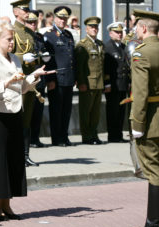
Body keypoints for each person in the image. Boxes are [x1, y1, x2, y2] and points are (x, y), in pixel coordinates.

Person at [0, 20, 50, 221]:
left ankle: (7, 205)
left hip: (15, 112)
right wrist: (8, 81)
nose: (12, 42)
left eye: (12, 39)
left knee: (12, 160)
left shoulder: (15, 59)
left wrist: (34, 75)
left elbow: (22, 87)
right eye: (9, 39)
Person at [129, 9, 159, 227]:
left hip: (150, 119)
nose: (135, 30)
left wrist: (137, 123)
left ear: (144, 28)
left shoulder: (141, 53)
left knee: (154, 170)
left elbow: (140, 92)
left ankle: (155, 223)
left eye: (137, 26)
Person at [44, 6, 76, 147]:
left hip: (68, 78)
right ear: (54, 19)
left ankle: (64, 136)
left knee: (66, 110)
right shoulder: (49, 36)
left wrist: (74, 76)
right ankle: (57, 138)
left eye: (64, 18)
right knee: (56, 110)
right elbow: (49, 60)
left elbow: (71, 57)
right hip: (56, 79)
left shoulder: (68, 35)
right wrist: (50, 79)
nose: (62, 21)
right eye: (60, 18)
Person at [11, 0, 38, 167]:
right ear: (16, 12)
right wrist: (23, 59)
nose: (27, 12)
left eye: (28, 9)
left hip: (29, 80)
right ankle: (15, 155)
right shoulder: (11, 31)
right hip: (17, 81)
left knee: (27, 120)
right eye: (24, 9)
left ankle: (25, 155)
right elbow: (7, 56)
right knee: (16, 118)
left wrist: (37, 59)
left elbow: (32, 54)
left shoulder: (29, 33)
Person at [75, 16, 104, 145]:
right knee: (85, 112)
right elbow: (79, 67)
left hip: (98, 83)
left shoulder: (100, 44)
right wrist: (81, 82)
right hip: (87, 83)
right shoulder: (83, 44)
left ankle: (94, 134)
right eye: (92, 27)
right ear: (86, 29)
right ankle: (86, 136)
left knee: (95, 113)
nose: (94, 29)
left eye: (96, 27)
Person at [25, 10, 49, 148]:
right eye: (30, 22)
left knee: (38, 111)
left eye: (35, 22)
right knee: (29, 111)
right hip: (29, 78)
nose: (33, 25)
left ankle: (35, 138)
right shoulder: (23, 36)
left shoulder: (39, 37)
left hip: (40, 78)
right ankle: (27, 139)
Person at [104, 22, 130, 143]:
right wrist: (107, 84)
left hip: (123, 84)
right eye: (116, 32)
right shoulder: (108, 47)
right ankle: (113, 135)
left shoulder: (123, 47)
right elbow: (106, 67)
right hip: (113, 85)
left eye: (120, 32)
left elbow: (126, 66)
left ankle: (118, 134)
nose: (119, 34)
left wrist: (128, 82)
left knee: (121, 111)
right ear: (110, 33)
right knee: (113, 111)